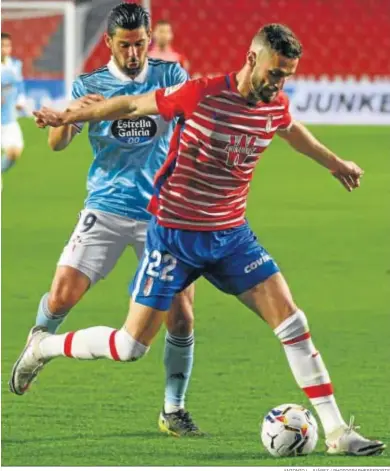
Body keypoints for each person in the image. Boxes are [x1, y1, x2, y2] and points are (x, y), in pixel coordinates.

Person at [13, 23, 385, 456]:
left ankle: (337, 432)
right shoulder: (201, 94)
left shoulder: (273, 104)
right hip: (174, 236)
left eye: (287, 75)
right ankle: (45, 345)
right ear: (251, 60)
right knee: (131, 345)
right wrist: (68, 115)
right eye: (275, 72)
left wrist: (335, 162)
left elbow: (290, 129)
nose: (280, 82)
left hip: (231, 236)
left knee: (293, 322)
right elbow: (133, 104)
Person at [12, 2, 203, 437]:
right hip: (106, 206)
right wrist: (72, 113)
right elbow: (57, 144)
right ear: (109, 43)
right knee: (61, 296)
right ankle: (35, 350)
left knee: (183, 315)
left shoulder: (169, 75)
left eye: (139, 44)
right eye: (125, 46)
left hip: (162, 215)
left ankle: (174, 409)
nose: (134, 53)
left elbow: (182, 115)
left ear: (148, 39)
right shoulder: (89, 83)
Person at [1, 32, 26, 175]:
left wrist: (20, 99)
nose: (5, 49)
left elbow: (19, 84)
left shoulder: (16, 65)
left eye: (7, 45)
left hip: (9, 119)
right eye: (2, 46)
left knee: (15, 152)